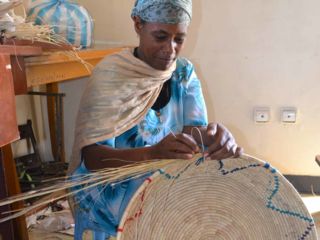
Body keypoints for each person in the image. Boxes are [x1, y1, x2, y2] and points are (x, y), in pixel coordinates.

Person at [68, 0, 243, 238]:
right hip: (109, 192)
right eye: (160, 37)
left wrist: (216, 138)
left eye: (179, 39)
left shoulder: (183, 72)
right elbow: (93, 158)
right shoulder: (111, 76)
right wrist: (151, 154)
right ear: (138, 24)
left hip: (161, 182)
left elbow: (193, 133)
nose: (170, 49)